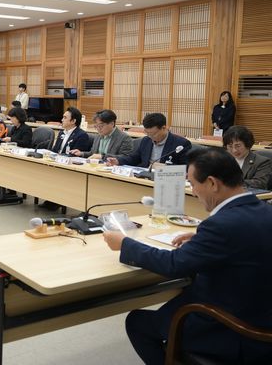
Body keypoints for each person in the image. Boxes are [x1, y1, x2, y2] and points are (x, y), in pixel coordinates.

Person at [103, 148, 272, 365]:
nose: (192, 192)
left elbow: (173, 265)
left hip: (234, 329)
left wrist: (125, 244)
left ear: (212, 183)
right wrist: (201, 239)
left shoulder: (221, 225)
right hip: (261, 312)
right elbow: (244, 243)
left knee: (137, 323)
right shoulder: (264, 210)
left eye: (193, 184)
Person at [107, 113, 190, 168]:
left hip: (166, 180)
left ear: (164, 128)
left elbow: (186, 168)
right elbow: (134, 158)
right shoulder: (146, 140)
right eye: (147, 133)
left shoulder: (181, 144)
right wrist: (118, 161)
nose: (150, 137)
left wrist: (163, 167)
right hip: (145, 176)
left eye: (153, 134)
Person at [223, 125, 272, 190]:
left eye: (238, 146)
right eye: (230, 146)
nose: (234, 150)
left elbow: (260, 184)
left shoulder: (262, 162)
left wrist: (231, 183)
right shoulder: (223, 159)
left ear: (247, 144)